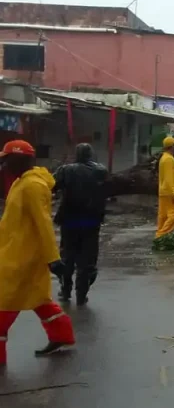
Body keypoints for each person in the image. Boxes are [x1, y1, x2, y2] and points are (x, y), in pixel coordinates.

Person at [0, 140, 76, 365]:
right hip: (15, 253)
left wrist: (53, 258)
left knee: (4, 304)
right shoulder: (20, 182)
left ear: (20, 160)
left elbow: (43, 224)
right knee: (39, 299)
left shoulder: (33, 186)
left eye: (6, 159)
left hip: (22, 259)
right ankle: (62, 335)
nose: (3, 164)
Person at [53, 143, 108, 306]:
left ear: (76, 154)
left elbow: (52, 185)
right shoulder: (101, 171)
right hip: (91, 221)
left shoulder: (65, 170)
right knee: (88, 259)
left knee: (67, 256)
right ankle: (81, 295)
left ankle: (65, 290)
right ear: (91, 154)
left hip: (70, 220)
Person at [156, 136, 174, 239]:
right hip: (169, 191)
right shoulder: (168, 159)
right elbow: (168, 178)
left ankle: (160, 234)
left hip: (163, 191)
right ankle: (161, 235)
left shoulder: (164, 158)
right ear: (172, 146)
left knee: (163, 216)